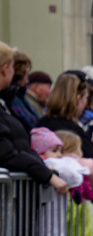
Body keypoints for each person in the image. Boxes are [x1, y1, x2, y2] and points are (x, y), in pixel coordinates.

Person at [0, 43, 70, 197]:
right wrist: (47, 175)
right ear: (4, 69)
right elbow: (7, 154)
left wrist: (41, 167)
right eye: (12, 66)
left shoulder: (5, 102)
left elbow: (20, 146)